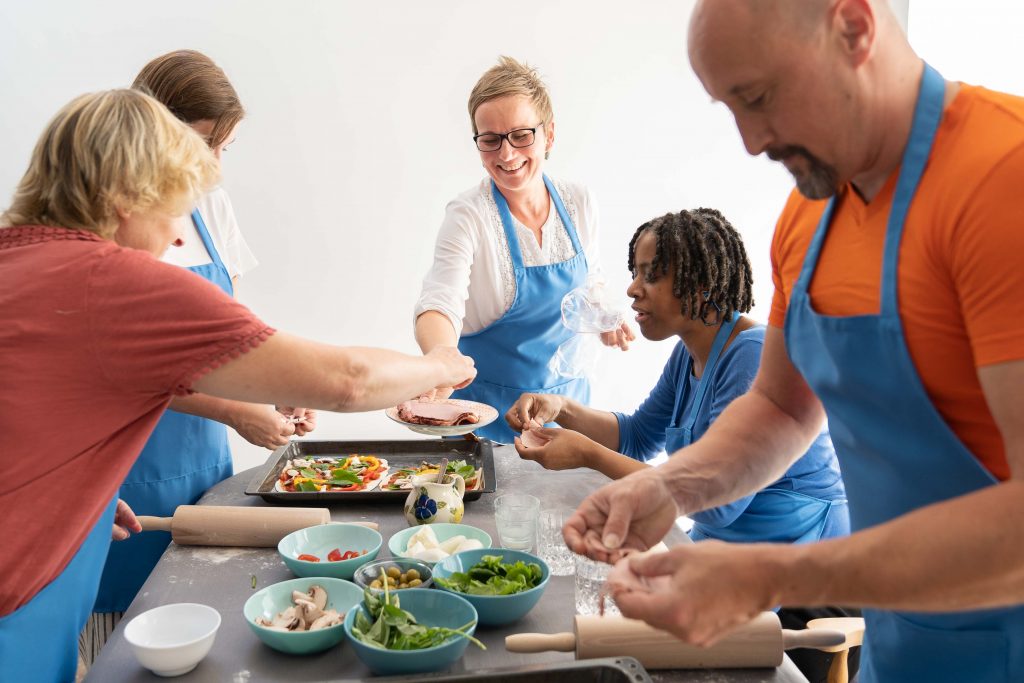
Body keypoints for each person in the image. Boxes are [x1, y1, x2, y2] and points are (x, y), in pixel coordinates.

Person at [564, 1, 1024, 681]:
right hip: (900, 655)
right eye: (730, 109)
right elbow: (781, 408)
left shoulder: (999, 181)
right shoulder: (807, 218)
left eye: (758, 97)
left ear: (855, 27)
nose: (751, 141)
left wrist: (767, 575)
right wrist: (668, 486)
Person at [0, 88, 475, 683]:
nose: (178, 237)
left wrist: (68, 495)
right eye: (172, 208)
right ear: (123, 198)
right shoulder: (112, 282)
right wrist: (440, 366)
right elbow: (347, 382)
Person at [509, 208, 854, 682]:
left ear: (700, 284)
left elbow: (719, 507)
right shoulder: (689, 352)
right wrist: (562, 408)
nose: (632, 289)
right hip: (734, 568)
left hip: (802, 592)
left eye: (652, 276)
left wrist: (587, 455)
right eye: (635, 274)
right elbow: (636, 434)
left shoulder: (750, 357)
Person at [83, 51, 304, 661]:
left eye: (223, 147)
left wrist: (270, 388)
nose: (212, 165)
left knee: (211, 624)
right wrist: (235, 409)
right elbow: (125, 371)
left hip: (205, 464)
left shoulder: (211, 207)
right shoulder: (112, 222)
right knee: (126, 650)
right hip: (129, 469)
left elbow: (234, 330)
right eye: (202, 143)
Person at [414, 56, 632, 443]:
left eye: (521, 135)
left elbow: (590, 281)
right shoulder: (468, 215)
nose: (507, 154)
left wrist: (604, 318)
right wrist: (440, 363)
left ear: (548, 135)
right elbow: (439, 303)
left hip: (567, 414)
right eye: (491, 139)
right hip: (484, 425)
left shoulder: (579, 202)